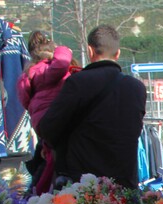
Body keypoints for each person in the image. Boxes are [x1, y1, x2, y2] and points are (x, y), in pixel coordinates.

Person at [39, 25, 146, 189]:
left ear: (89, 51)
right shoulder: (137, 88)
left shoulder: (77, 83)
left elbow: (47, 128)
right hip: (124, 186)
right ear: (118, 53)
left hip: (85, 188)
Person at [17, 31, 75, 195]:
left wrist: (35, 109)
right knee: (57, 156)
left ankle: (41, 190)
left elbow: (24, 98)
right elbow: (63, 61)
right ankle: (50, 185)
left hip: (40, 121)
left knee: (49, 153)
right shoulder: (51, 69)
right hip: (59, 117)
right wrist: (63, 49)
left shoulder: (28, 73)